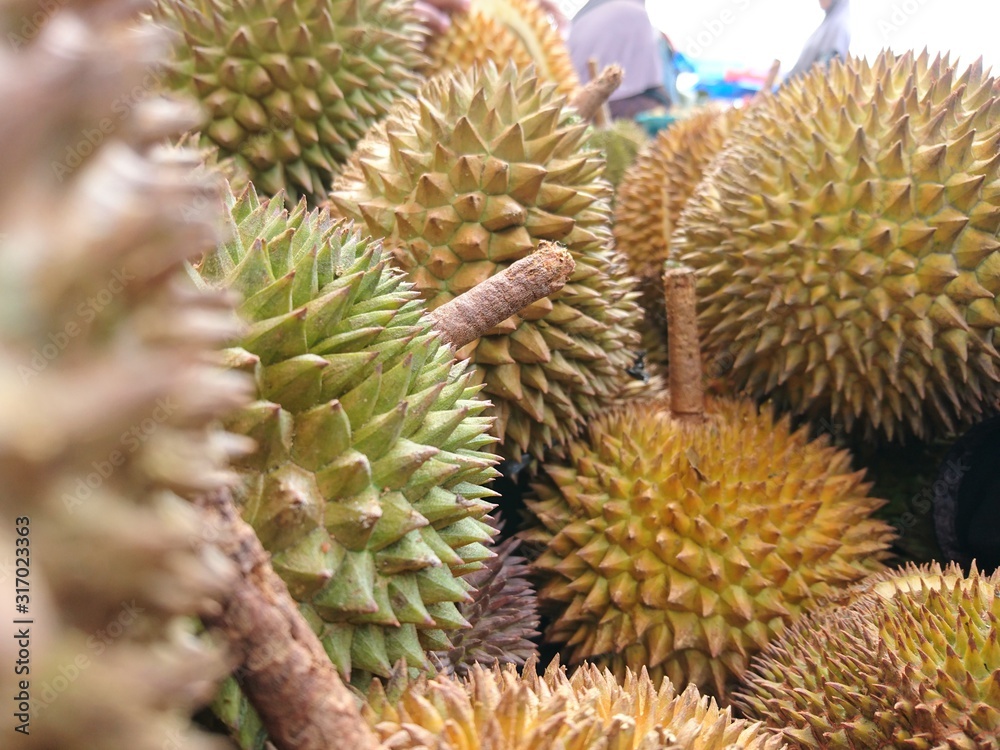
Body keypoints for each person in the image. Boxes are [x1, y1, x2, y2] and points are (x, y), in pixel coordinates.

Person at [567, 0, 670, 119]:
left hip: (573, 105)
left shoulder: (583, 17)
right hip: (608, 109)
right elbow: (654, 81)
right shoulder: (637, 14)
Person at [788, 0, 851, 79]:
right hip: (796, 85)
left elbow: (828, 64)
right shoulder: (825, 27)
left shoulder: (839, 26)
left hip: (809, 87)